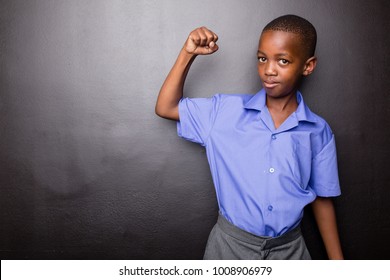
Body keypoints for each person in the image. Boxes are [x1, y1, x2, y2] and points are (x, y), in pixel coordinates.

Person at [155, 14, 344, 260]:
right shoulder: (223, 112)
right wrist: (187, 54)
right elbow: (166, 107)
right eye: (262, 59)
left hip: (290, 252)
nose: (268, 70)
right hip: (229, 249)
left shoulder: (318, 131)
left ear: (308, 66)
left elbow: (322, 198)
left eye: (283, 61)